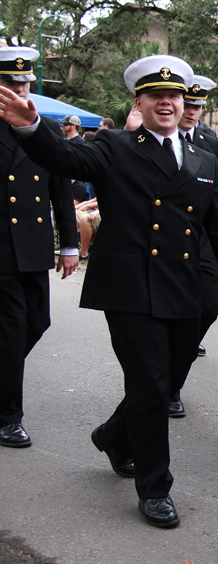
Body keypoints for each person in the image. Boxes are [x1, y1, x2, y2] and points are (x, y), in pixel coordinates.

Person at [0, 54, 218, 528]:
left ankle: (115, 436)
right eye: (156, 95)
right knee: (150, 383)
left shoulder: (202, 159)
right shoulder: (115, 146)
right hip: (129, 288)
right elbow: (65, 159)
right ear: (139, 101)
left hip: (182, 287)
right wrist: (34, 128)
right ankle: (155, 488)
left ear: (184, 103)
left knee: (166, 379)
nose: (166, 102)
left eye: (174, 95)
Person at [0, 46, 78, 449]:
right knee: (12, 329)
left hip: (31, 244)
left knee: (37, 322)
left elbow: (60, 188)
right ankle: (8, 415)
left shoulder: (41, 126)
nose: (19, 90)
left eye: (25, 83)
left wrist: (69, 243)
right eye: (11, 83)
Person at [167, 74, 218, 416]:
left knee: (208, 307)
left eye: (199, 105)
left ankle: (173, 375)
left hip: (203, 238)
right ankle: (166, 386)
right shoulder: (157, 135)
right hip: (169, 239)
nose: (193, 111)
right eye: (190, 103)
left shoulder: (207, 139)